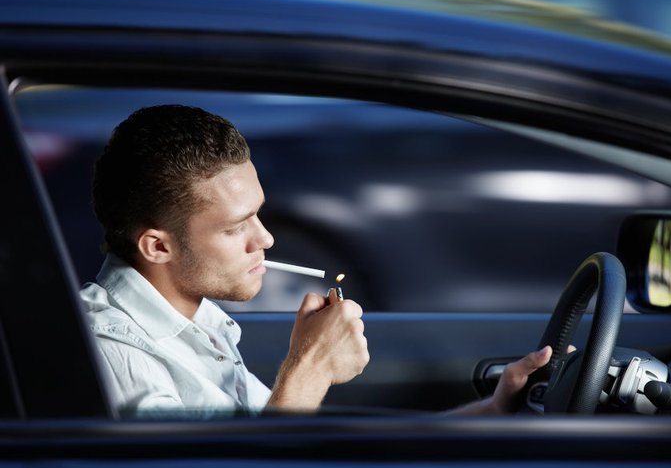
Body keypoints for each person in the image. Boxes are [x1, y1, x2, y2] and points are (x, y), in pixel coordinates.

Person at [80, 104, 553, 417]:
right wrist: (311, 364)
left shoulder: (195, 323)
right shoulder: (114, 354)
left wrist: (494, 410)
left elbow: (276, 443)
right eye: (234, 227)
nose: (264, 238)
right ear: (157, 247)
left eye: (258, 215)